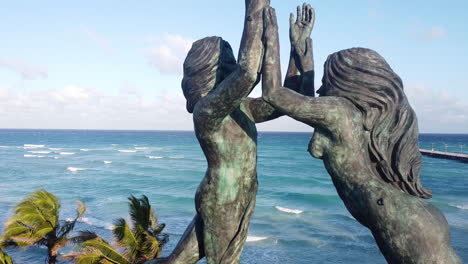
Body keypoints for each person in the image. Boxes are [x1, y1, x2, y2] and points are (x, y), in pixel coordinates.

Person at [261, 5, 462, 264]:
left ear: (347, 84)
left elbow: (273, 95)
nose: (321, 88)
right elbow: (306, 102)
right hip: (414, 215)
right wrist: (301, 51)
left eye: (326, 80)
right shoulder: (344, 117)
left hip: (402, 220)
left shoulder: (340, 111)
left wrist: (268, 36)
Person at [147, 2, 314, 264]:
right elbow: (248, 73)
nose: (234, 67)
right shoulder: (207, 111)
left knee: (175, 262)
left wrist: (299, 49)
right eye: (227, 64)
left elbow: (291, 98)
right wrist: (256, 9)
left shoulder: (242, 109)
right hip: (223, 201)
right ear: (210, 70)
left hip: (233, 196)